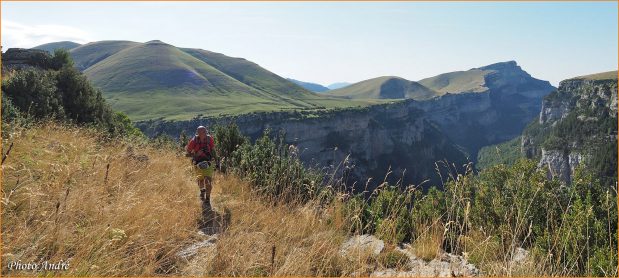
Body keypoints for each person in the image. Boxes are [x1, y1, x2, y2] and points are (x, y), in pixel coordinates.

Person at [185, 125, 216, 208]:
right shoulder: (193, 141)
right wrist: (195, 154)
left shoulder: (209, 139)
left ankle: (208, 199)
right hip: (197, 163)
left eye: (206, 131)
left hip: (208, 162)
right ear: (198, 133)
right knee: (200, 181)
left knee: (208, 181)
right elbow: (187, 154)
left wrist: (216, 159)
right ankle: (202, 191)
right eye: (203, 132)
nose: (205, 133)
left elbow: (213, 150)